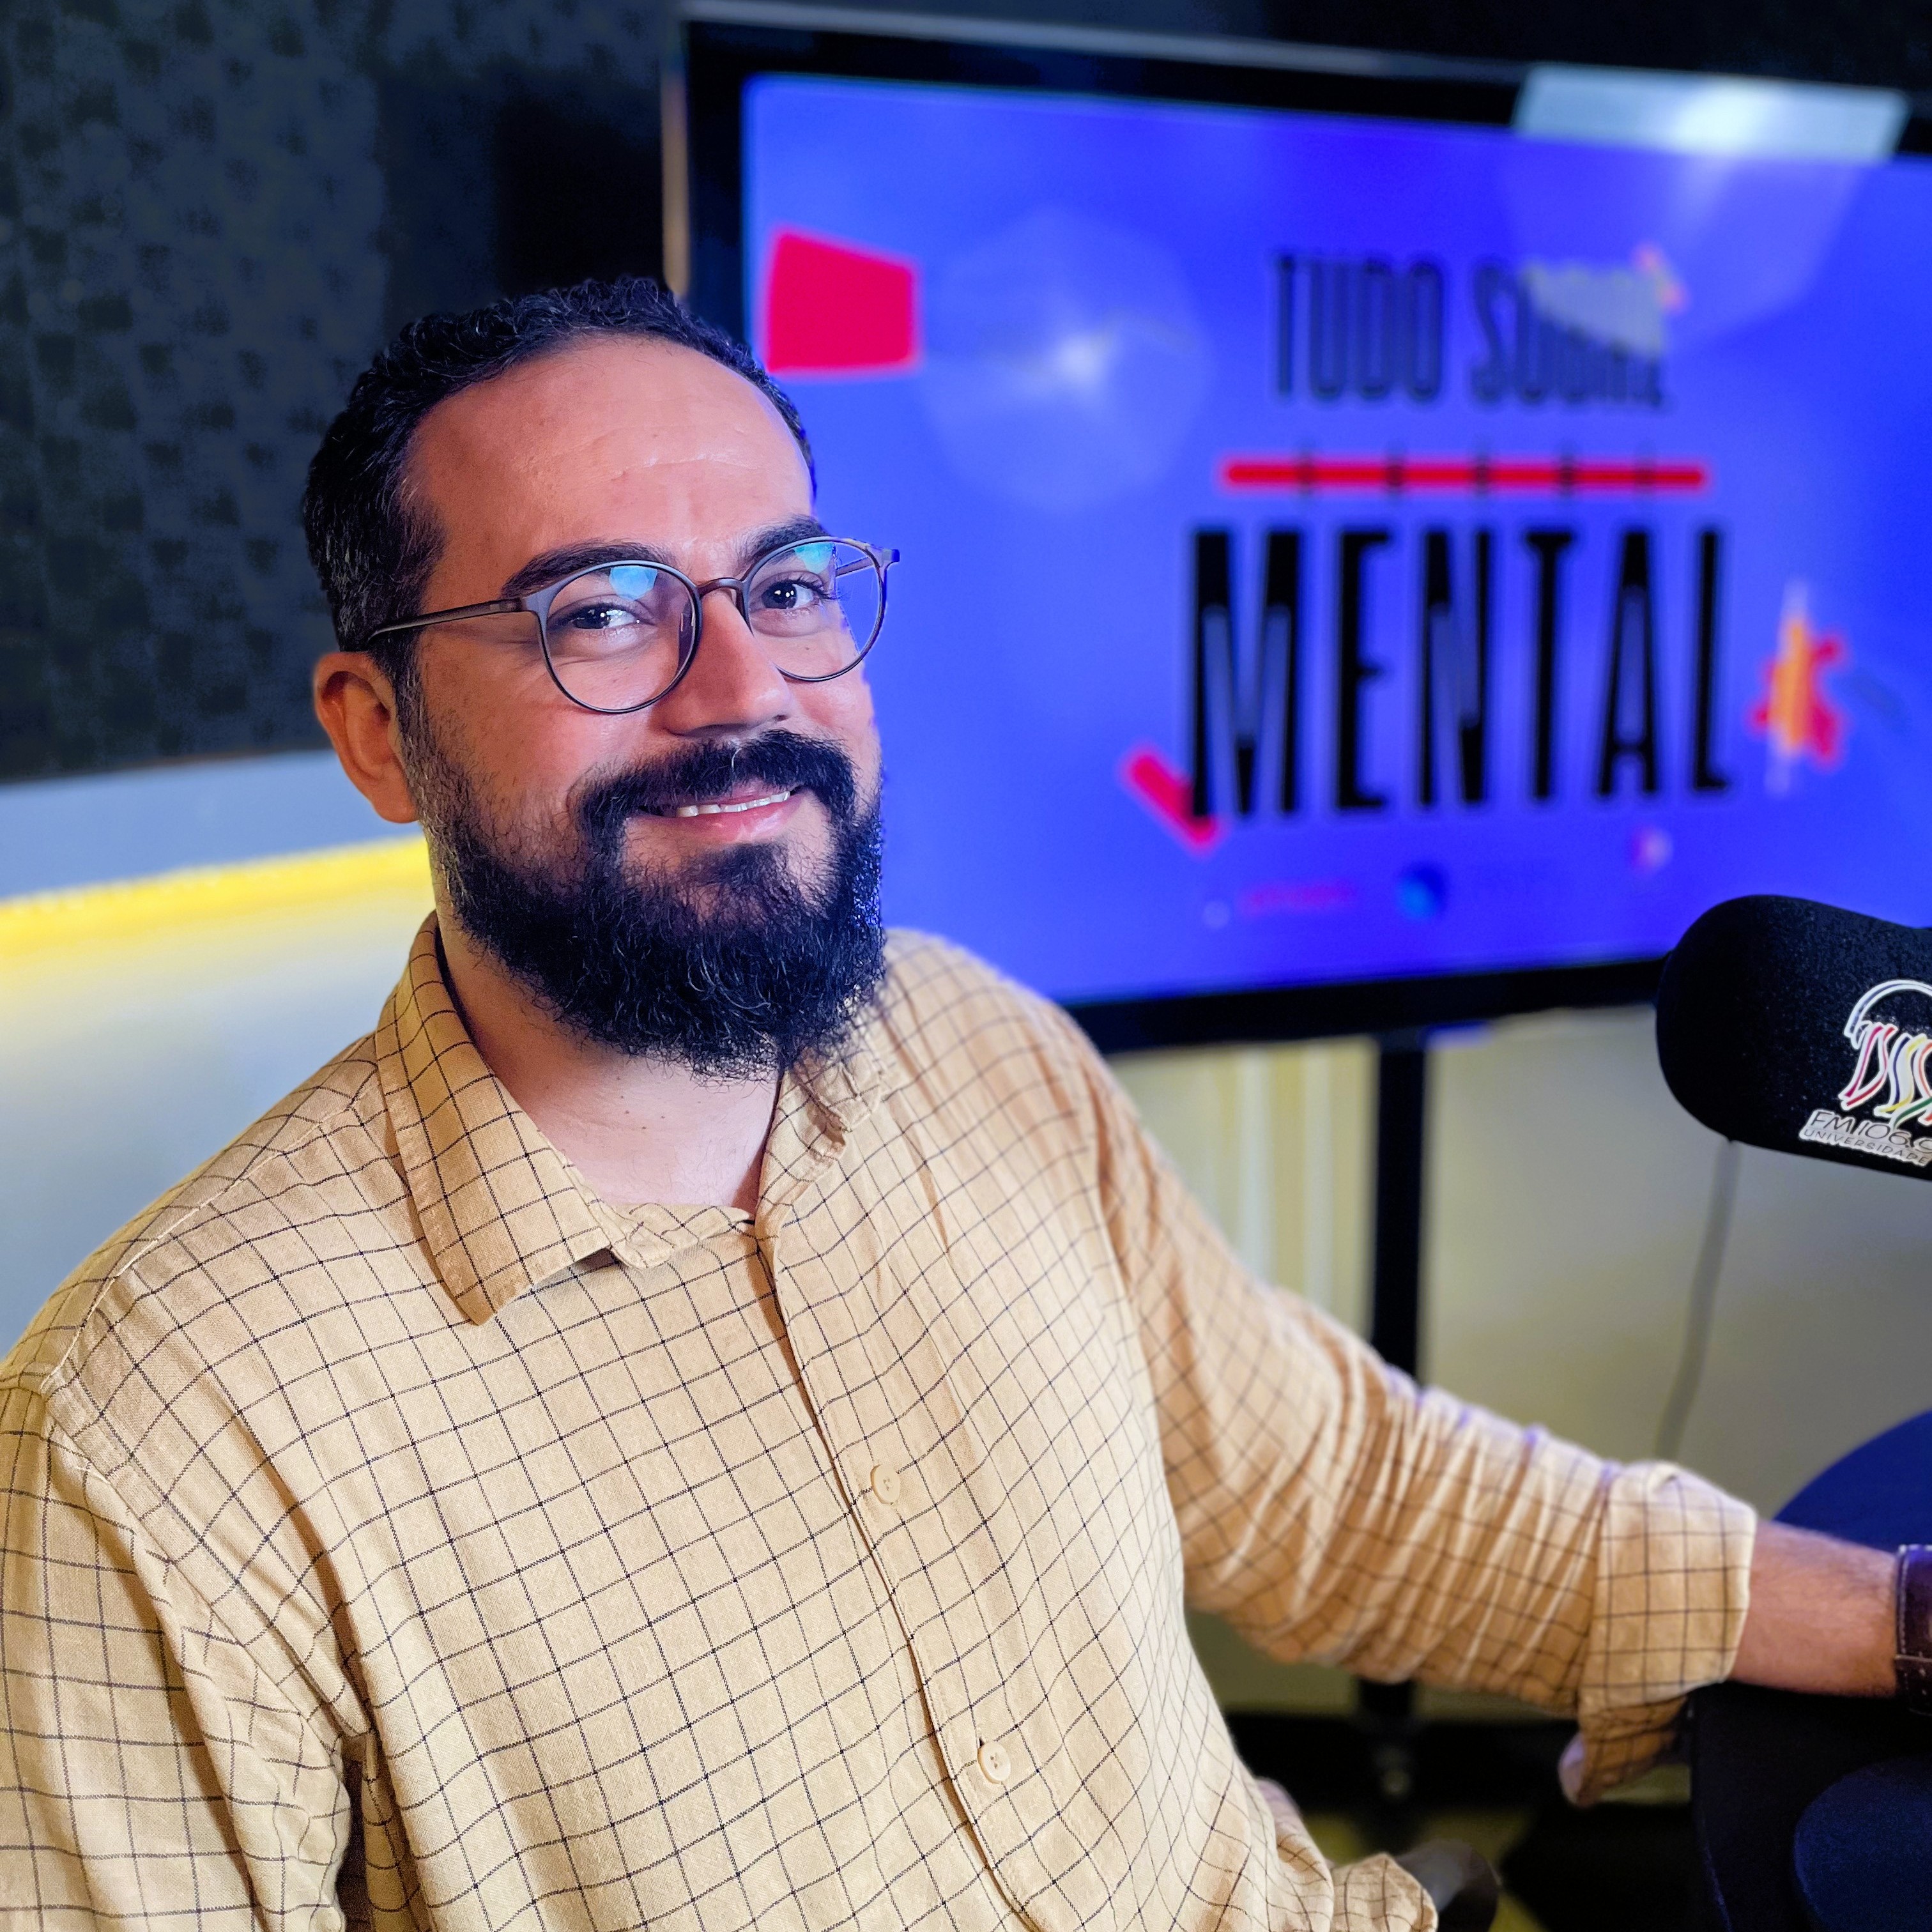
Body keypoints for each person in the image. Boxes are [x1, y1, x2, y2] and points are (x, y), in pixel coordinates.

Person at [0, 278, 1898, 1931]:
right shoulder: (155, 1441)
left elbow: (1338, 1489)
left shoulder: (972, 1045)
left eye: (786, 585)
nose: (740, 690)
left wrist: (1900, 1618)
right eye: (601, 610)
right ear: (377, 732)